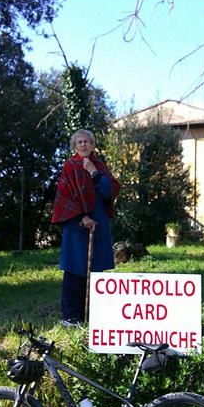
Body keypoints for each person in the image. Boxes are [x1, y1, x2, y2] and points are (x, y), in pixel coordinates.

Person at [51, 129, 121, 326]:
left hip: (99, 223)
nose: (83, 144)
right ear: (74, 146)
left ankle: (93, 315)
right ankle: (71, 316)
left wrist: (93, 172)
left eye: (87, 141)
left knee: (96, 269)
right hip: (77, 224)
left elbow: (110, 190)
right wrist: (82, 217)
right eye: (80, 142)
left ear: (92, 145)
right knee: (75, 268)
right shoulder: (70, 166)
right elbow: (65, 196)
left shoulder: (99, 166)